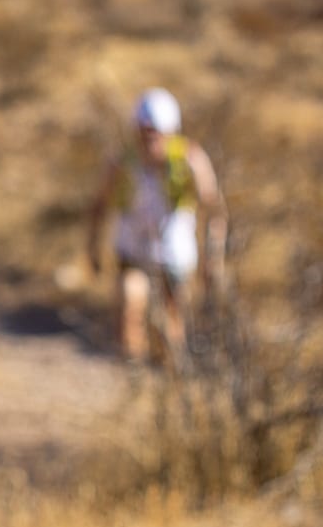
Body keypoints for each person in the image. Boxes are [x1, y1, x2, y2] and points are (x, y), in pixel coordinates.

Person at [87, 88, 227, 364]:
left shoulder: (189, 160)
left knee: (170, 329)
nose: (149, 140)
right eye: (144, 132)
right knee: (130, 301)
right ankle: (132, 370)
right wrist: (92, 246)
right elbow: (99, 205)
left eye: (155, 133)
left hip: (175, 256)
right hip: (132, 253)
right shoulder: (123, 163)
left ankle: (166, 375)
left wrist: (213, 258)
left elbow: (214, 208)